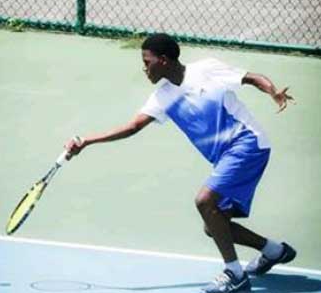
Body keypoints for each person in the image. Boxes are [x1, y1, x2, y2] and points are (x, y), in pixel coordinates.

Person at [64, 33, 296, 293]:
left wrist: (273, 92)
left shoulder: (206, 69)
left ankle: (235, 274)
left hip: (248, 143)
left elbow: (251, 78)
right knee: (213, 225)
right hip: (227, 156)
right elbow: (133, 127)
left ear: (163, 60)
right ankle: (273, 250)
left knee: (204, 201)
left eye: (147, 62)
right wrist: (86, 140)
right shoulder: (162, 96)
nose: (144, 68)